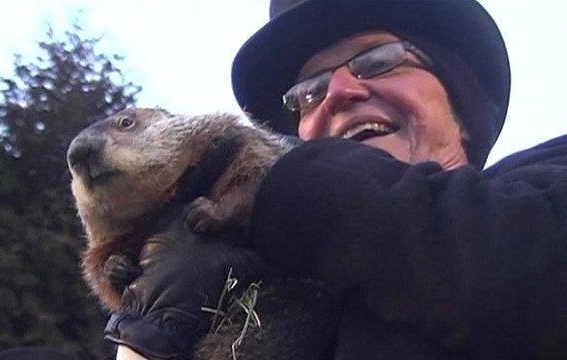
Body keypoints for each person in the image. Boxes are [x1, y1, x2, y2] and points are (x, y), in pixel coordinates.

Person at [106, 0, 567, 359]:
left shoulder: (549, 177)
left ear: (463, 108)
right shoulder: (275, 281)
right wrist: (152, 330)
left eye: (379, 60)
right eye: (308, 93)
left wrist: (288, 188)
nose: (340, 93)